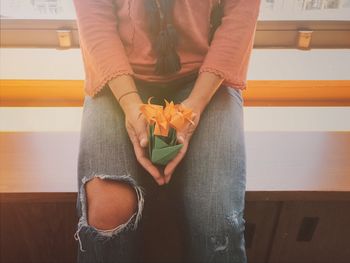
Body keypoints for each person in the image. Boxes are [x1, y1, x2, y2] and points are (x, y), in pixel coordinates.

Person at [73, 0, 260, 262]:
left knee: (218, 221)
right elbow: (95, 19)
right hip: (116, 78)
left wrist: (193, 108)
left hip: (207, 79)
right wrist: (130, 102)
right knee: (107, 213)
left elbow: (239, 17)